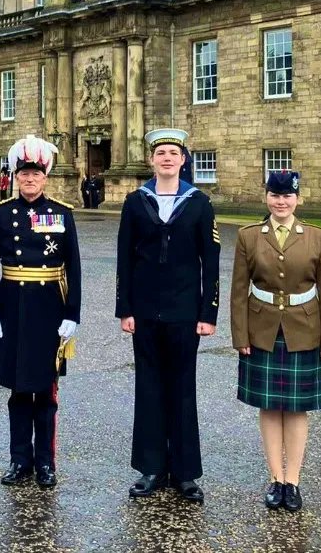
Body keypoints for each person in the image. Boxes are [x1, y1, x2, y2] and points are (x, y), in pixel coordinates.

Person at [115, 128, 220, 502]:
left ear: (183, 160)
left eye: (173, 152)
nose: (167, 158)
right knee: (149, 388)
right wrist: (124, 309)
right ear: (151, 160)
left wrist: (209, 312)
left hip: (184, 312)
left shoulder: (199, 203)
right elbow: (125, 258)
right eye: (160, 152)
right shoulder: (134, 201)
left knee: (182, 389)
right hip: (144, 312)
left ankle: (185, 472)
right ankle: (151, 467)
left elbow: (210, 260)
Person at [229, 171, 321, 512]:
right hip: (262, 330)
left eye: (287, 195)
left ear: (297, 198)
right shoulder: (248, 236)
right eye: (275, 195)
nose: (281, 201)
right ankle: (276, 478)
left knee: (296, 408)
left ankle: (294, 481)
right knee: (270, 406)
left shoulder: (317, 236)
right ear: (266, 198)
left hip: (304, 329)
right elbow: (238, 291)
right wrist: (240, 335)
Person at [0, 134, 81, 488]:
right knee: (18, 390)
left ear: (45, 177)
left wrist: (73, 314)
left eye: (36, 175)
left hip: (49, 309)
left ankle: (45, 463)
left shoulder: (61, 213)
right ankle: (19, 460)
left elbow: (74, 267)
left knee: (46, 390)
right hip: (12, 307)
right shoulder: (1, 214)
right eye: (24, 174)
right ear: (15, 176)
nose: (29, 180)